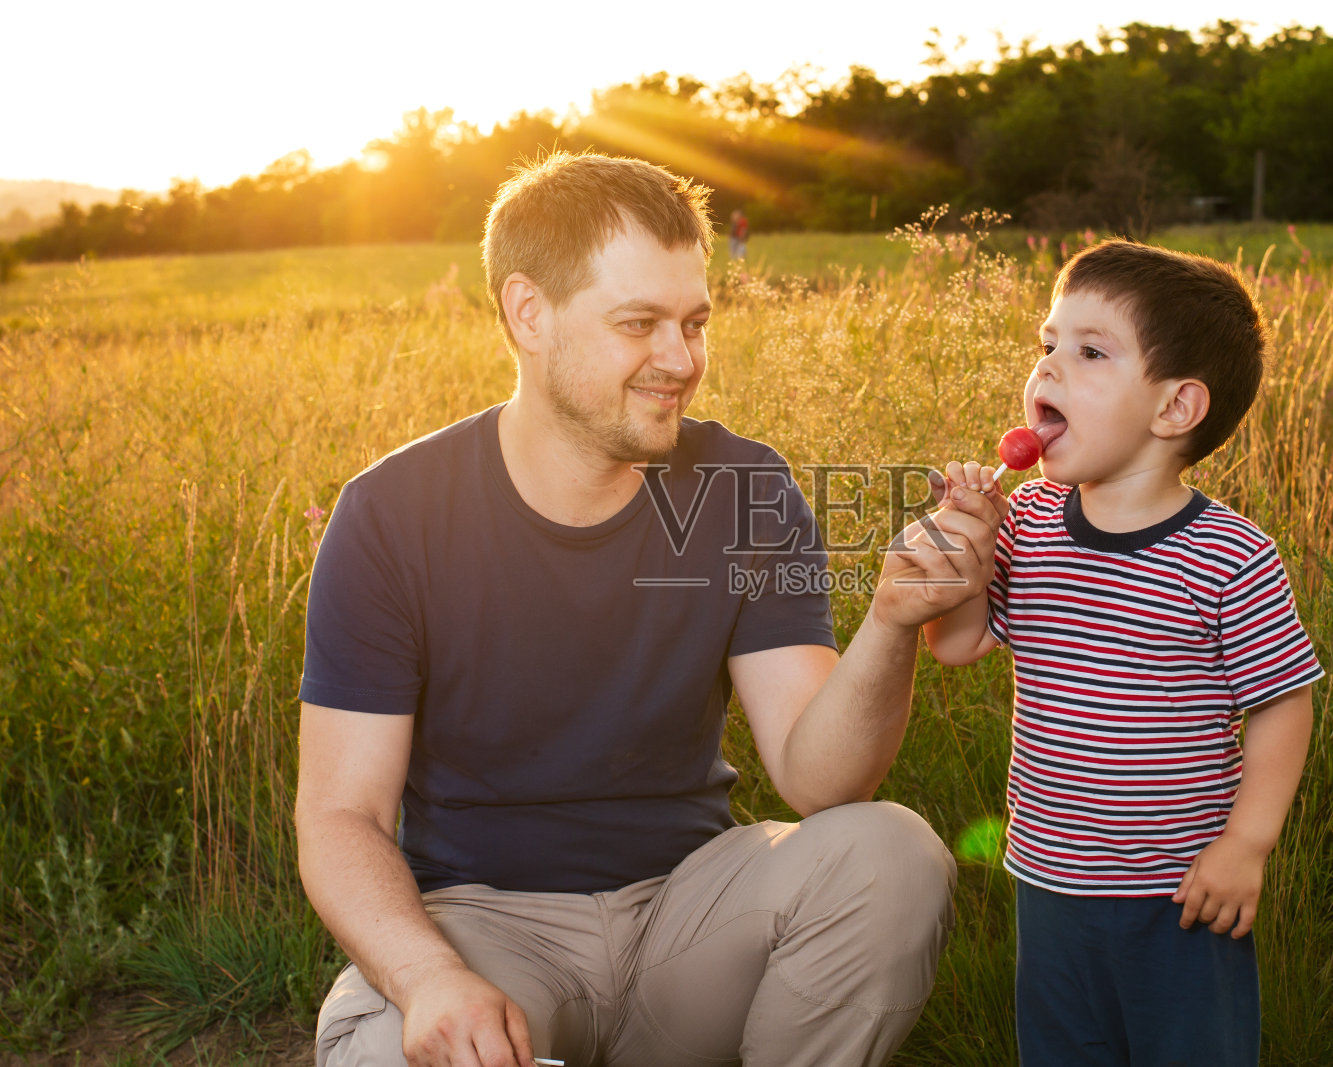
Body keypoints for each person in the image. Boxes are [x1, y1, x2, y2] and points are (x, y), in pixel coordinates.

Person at [296, 151, 1004, 1067]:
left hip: (694, 917)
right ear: (528, 313)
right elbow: (341, 815)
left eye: (695, 322)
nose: (681, 360)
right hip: (489, 930)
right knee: (387, 1049)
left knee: (892, 851)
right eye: (639, 324)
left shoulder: (745, 487)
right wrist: (427, 973)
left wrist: (893, 622)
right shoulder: (391, 513)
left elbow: (822, 783)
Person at [924, 239, 1324, 1065]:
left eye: (1090, 351)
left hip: (1179, 891)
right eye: (1047, 345)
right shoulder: (1027, 524)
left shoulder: (1228, 556)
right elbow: (956, 644)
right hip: (1049, 880)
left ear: (1175, 409)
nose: (1048, 371)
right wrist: (967, 552)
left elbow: (1283, 700)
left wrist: (1246, 843)